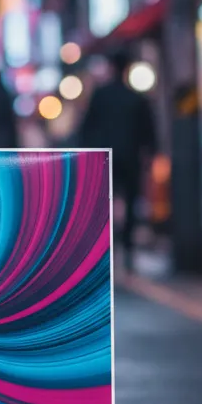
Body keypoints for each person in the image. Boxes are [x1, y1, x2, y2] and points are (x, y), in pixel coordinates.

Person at [78, 50, 157, 273]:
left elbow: (87, 128)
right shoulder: (136, 98)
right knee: (131, 202)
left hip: (104, 158)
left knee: (103, 204)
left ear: (112, 68)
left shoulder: (100, 95)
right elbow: (148, 131)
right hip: (130, 156)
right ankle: (128, 250)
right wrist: (151, 153)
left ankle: (104, 249)